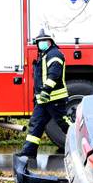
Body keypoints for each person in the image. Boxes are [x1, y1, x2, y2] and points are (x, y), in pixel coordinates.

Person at [17, 29, 71, 159]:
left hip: (54, 98)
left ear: (50, 41)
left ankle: (81, 144)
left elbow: (54, 74)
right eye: (39, 42)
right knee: (36, 123)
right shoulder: (44, 55)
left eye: (44, 41)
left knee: (64, 124)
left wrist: (46, 90)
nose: (41, 43)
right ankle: (28, 153)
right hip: (43, 100)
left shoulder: (54, 54)